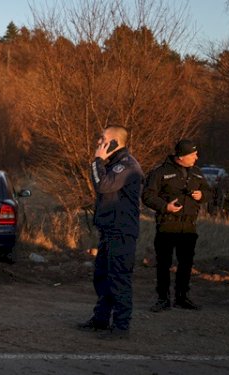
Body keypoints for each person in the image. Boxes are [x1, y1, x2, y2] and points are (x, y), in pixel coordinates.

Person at [78, 126, 143, 339]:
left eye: (103, 139)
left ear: (114, 142)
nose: (99, 142)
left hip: (122, 232)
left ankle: (121, 326)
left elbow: (103, 186)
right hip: (110, 230)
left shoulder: (126, 166)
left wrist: (97, 161)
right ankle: (101, 319)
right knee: (103, 277)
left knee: (119, 278)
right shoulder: (115, 165)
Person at [143, 139, 212, 312]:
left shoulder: (197, 173)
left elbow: (210, 192)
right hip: (167, 225)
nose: (197, 157)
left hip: (189, 227)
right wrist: (165, 207)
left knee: (186, 264)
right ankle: (162, 298)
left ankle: (182, 297)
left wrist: (201, 195)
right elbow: (148, 196)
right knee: (164, 263)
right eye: (193, 154)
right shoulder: (160, 173)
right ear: (181, 157)